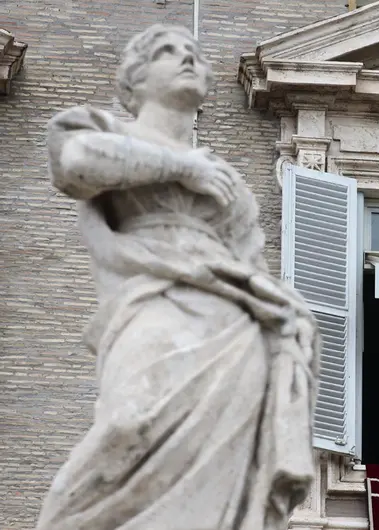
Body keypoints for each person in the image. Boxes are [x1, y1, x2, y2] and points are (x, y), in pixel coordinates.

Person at [36, 24, 320, 530]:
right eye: (166, 52)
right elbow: (76, 163)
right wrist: (181, 167)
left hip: (236, 334)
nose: (186, 58)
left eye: (193, 53)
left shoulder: (230, 183)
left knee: (226, 480)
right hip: (152, 304)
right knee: (128, 425)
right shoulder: (103, 128)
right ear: (134, 80)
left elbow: (249, 264)